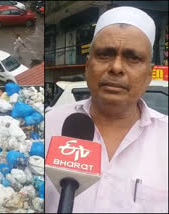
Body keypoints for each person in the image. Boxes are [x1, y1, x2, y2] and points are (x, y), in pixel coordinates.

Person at [45, 6, 168, 213]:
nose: (116, 67)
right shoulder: (49, 124)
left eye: (133, 58)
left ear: (149, 74)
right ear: (87, 65)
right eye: (105, 54)